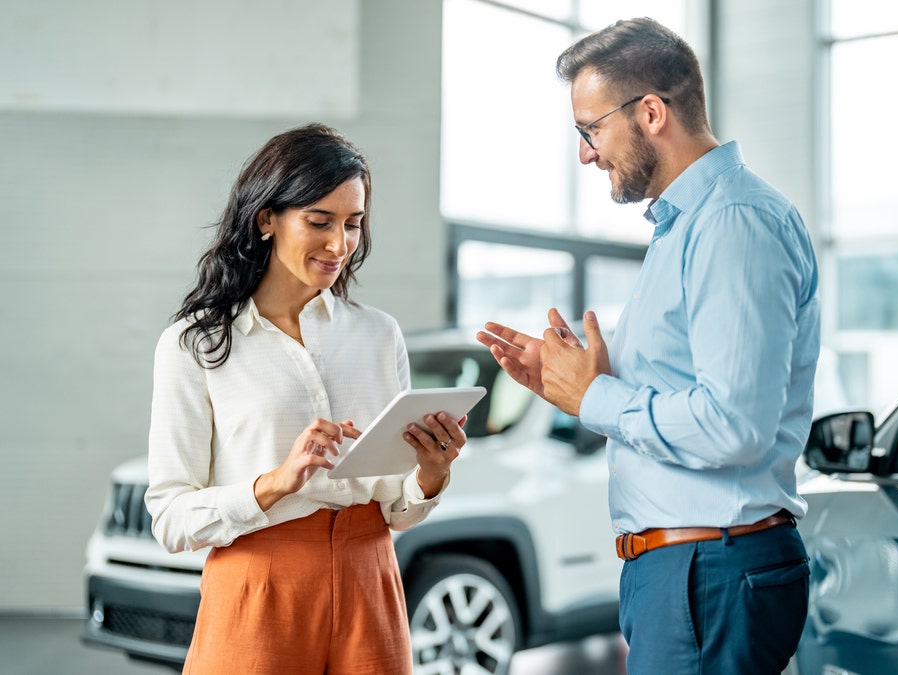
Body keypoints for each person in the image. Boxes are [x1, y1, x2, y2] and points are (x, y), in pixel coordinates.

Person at [476, 17, 820, 675]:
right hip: (688, 571)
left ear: (652, 113)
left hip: (709, 570)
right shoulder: (685, 227)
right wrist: (574, 381)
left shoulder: (732, 224)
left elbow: (735, 425)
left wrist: (597, 395)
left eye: (590, 130)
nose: (584, 153)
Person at [145, 123, 465, 674]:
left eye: (353, 223)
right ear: (266, 218)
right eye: (319, 221)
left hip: (372, 580)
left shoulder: (378, 334)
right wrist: (274, 484)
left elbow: (397, 507)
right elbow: (170, 518)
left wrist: (430, 475)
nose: (339, 244)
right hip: (258, 585)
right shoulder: (195, 345)